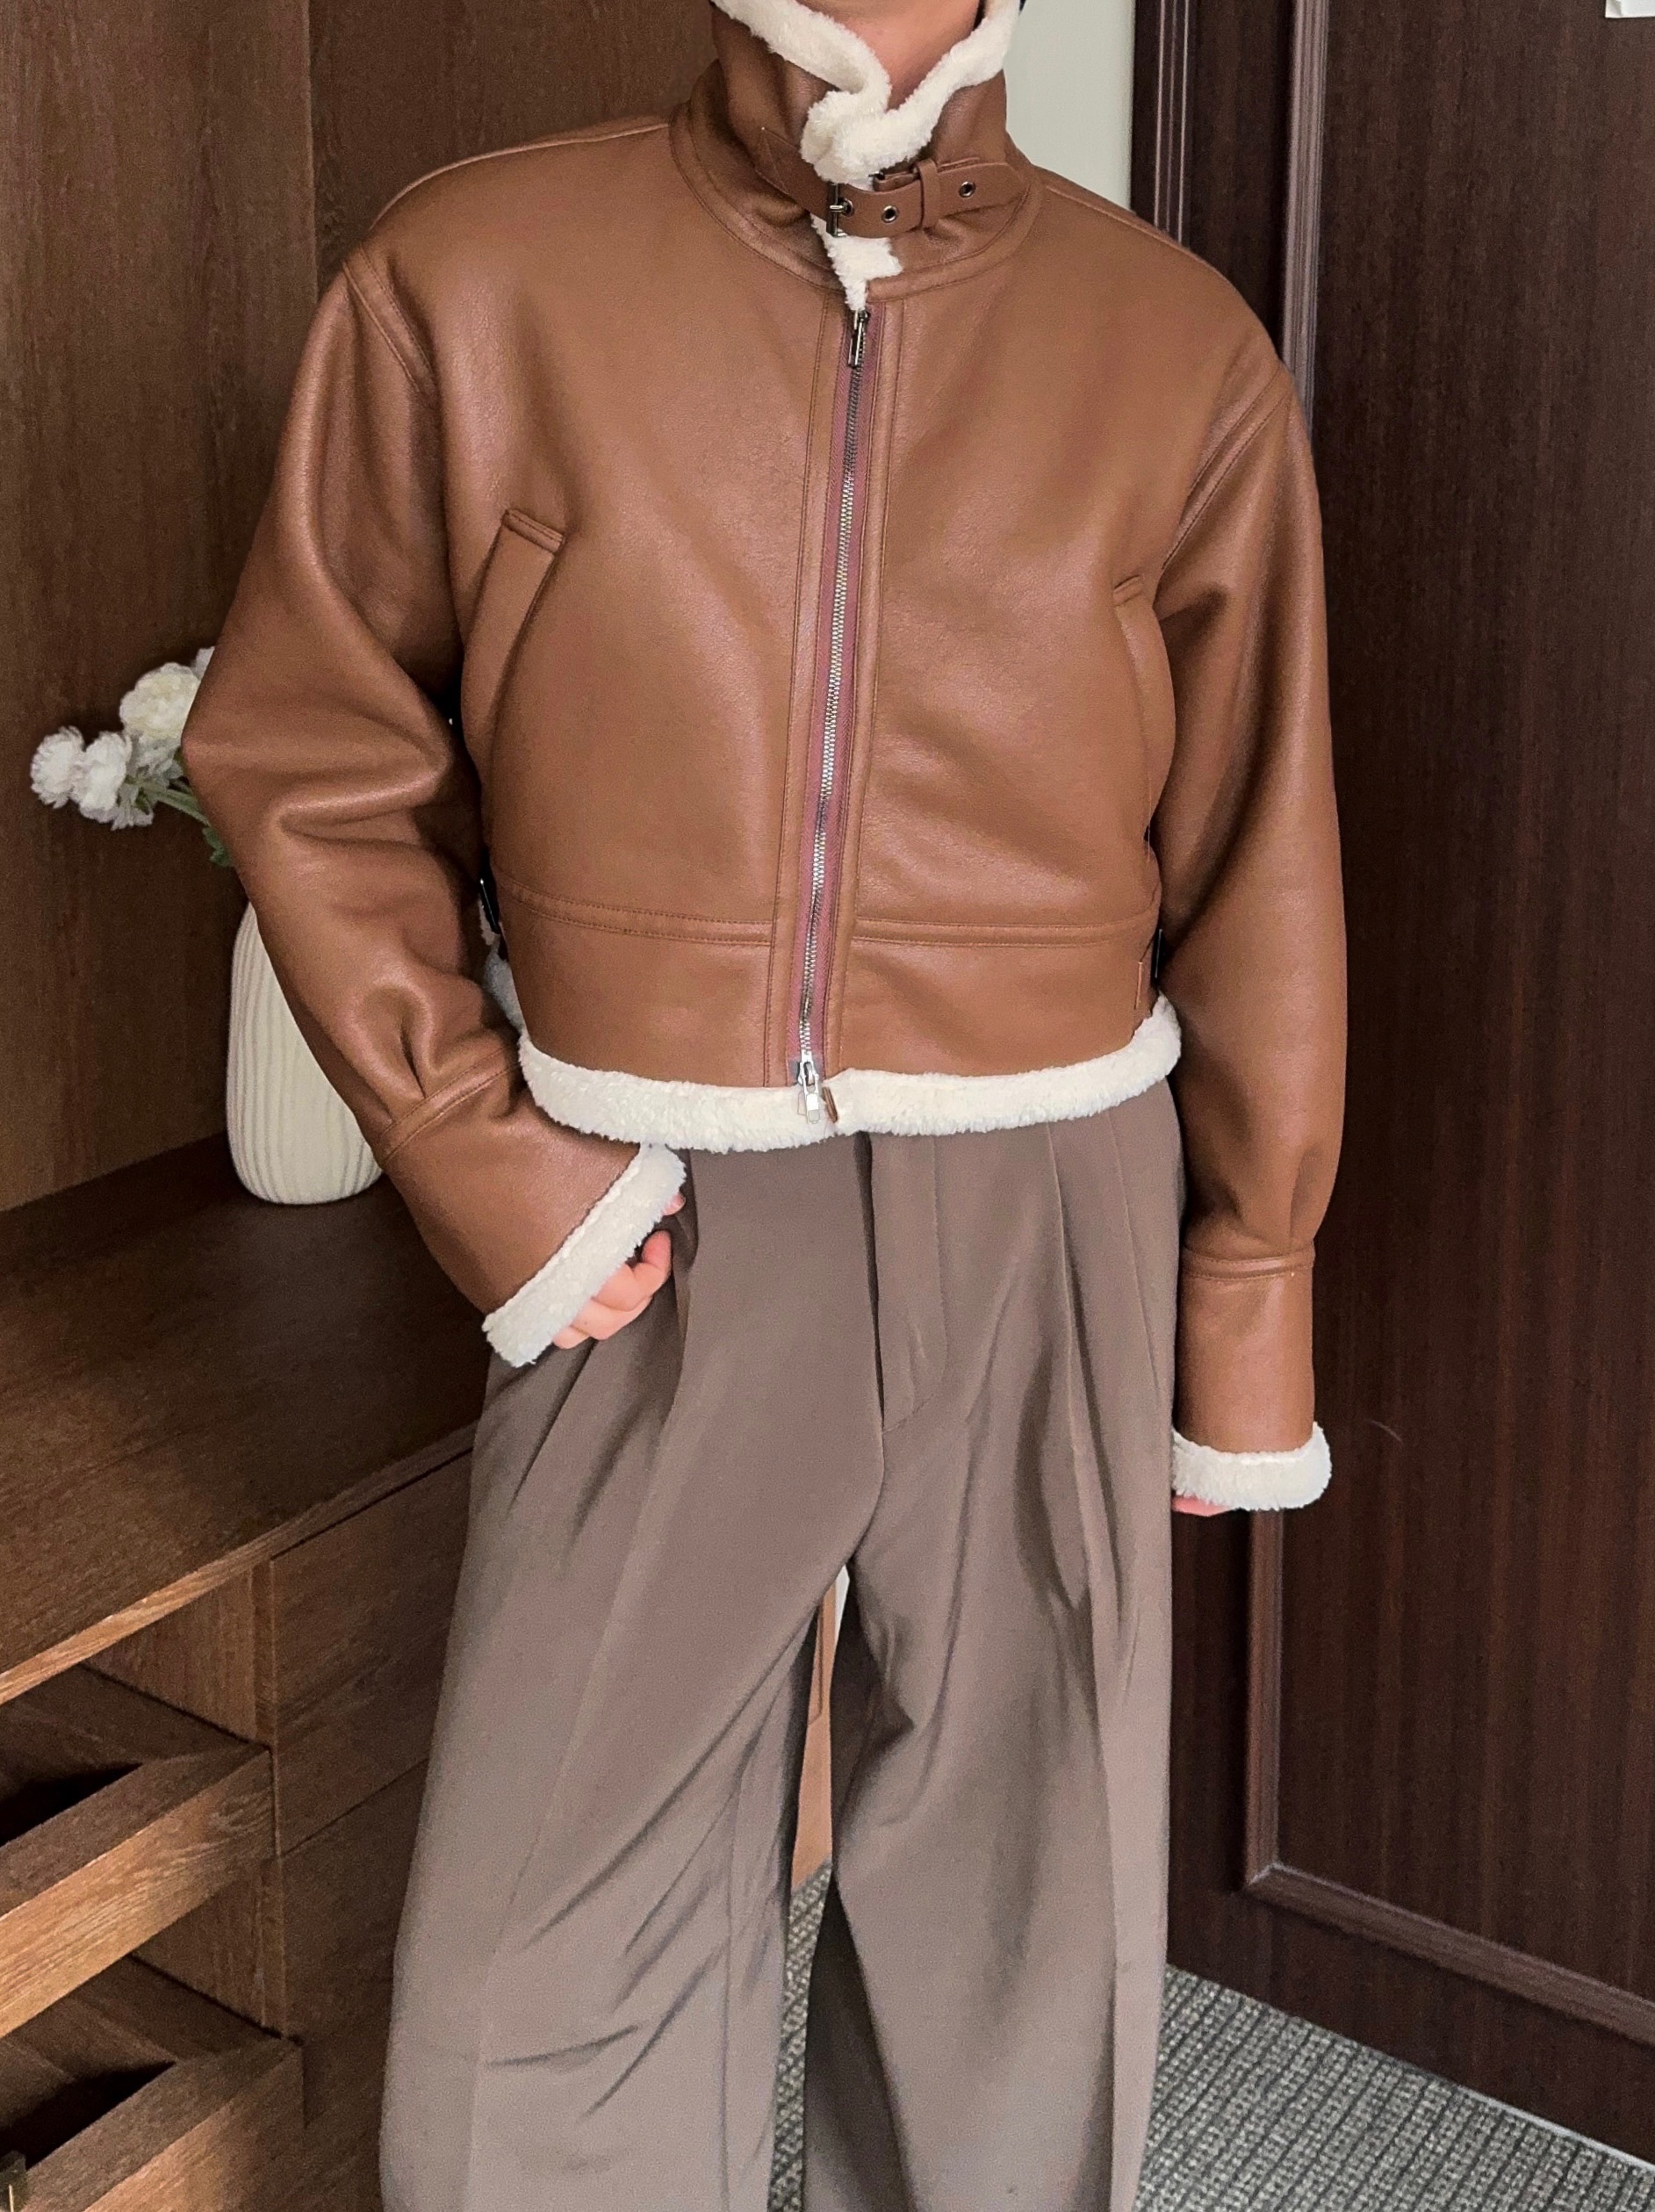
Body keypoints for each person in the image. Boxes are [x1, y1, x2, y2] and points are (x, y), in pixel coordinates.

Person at [182, 0, 1346, 2202]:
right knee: (545, 1923)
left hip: (1057, 1200)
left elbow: (1257, 846)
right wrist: (481, 1155)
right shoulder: (475, 276)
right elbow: (305, 745)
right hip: (650, 1206)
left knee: (1024, 1900)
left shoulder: (1171, 345)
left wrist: (1248, 1283)